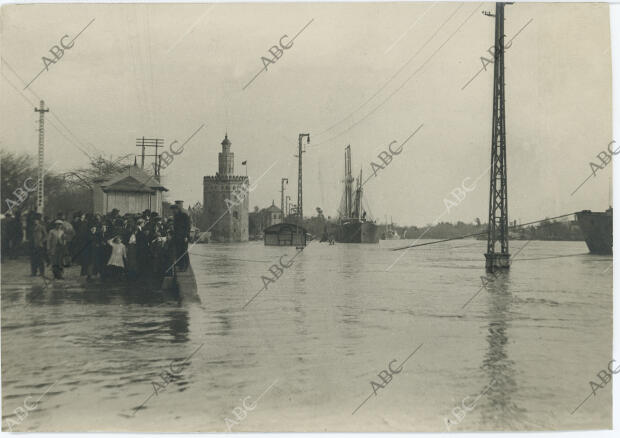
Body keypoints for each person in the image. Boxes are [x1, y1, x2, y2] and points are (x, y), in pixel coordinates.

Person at [171, 202, 191, 271]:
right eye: (173, 210)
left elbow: (187, 227)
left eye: (174, 209)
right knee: (178, 251)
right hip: (177, 237)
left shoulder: (184, 216)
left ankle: (185, 266)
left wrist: (186, 236)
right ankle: (180, 265)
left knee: (184, 251)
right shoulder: (175, 217)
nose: (173, 211)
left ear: (178, 209)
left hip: (183, 237)